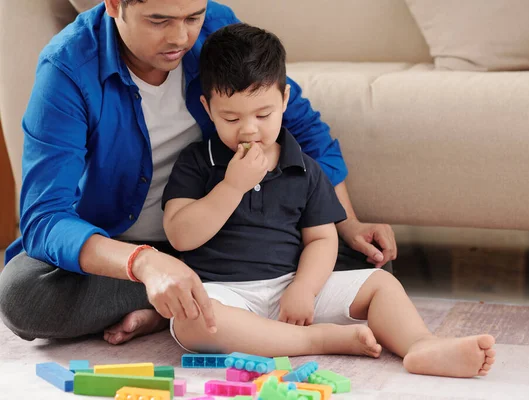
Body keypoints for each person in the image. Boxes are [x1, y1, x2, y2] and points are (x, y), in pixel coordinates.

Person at [0, 0, 396, 345]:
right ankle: (178, 298)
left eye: (193, 16)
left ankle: (180, 307)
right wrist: (145, 263)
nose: (181, 37)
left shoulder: (217, 31)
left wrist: (349, 223)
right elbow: (44, 217)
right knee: (23, 295)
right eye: (160, 20)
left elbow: (302, 127)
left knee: (372, 262)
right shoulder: (68, 69)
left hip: (231, 245)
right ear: (114, 3)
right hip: (125, 251)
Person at [163, 23, 496, 378]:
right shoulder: (197, 161)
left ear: (285, 100)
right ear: (207, 107)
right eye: (231, 117)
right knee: (190, 322)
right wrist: (232, 186)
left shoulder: (303, 167)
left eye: (263, 115)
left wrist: (304, 289)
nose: (249, 129)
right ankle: (316, 340)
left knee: (382, 284)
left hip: (292, 287)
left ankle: (421, 345)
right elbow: (181, 236)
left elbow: (322, 239)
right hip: (225, 294)